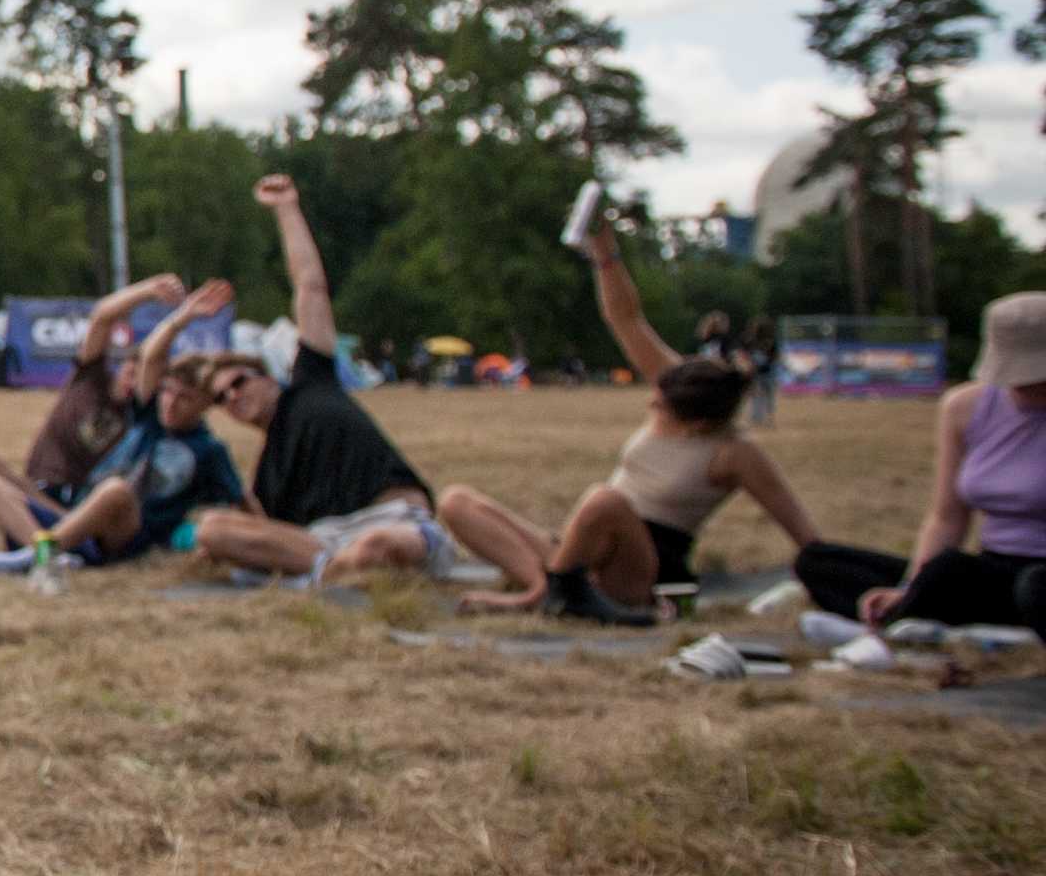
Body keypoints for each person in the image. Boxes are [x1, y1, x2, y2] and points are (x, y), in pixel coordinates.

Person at [437, 229, 823, 623]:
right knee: (456, 502)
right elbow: (626, 319)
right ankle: (547, 587)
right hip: (584, 550)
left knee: (607, 500)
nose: (651, 403)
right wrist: (605, 251)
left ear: (698, 423)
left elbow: (803, 534)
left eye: (661, 407)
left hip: (640, 571)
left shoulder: (735, 453)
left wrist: (837, 580)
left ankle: (549, 591)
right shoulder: (679, 385)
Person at [189, 175, 444, 580]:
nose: (233, 396)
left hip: (389, 520)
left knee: (381, 545)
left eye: (238, 382)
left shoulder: (313, 381)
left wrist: (286, 208)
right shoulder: (267, 473)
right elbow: (263, 531)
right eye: (221, 399)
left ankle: (346, 568)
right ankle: (342, 568)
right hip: (324, 543)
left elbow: (310, 287)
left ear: (268, 377)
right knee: (214, 528)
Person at [793, 292, 1046, 633]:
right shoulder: (965, 409)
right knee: (820, 562)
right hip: (989, 568)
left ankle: (896, 622)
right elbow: (946, 516)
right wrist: (911, 584)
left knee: (1022, 584)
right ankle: (910, 613)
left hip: (1038, 576)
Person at [0, 283, 245, 566]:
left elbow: (240, 500)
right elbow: (144, 350)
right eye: (167, 392)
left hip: (124, 530)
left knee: (117, 490)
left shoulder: (207, 448)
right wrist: (182, 316)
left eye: (184, 398)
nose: (171, 403)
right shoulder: (139, 411)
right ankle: (43, 558)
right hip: (75, 511)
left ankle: (41, 553)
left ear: (205, 405)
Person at [0, 273, 184, 516]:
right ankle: (58, 526)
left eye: (141, 378)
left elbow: (153, 361)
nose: (133, 382)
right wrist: (149, 290)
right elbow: (102, 316)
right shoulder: (90, 376)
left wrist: (181, 318)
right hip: (37, 486)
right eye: (132, 372)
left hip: (82, 502)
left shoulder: (138, 416)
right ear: (123, 366)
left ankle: (61, 531)